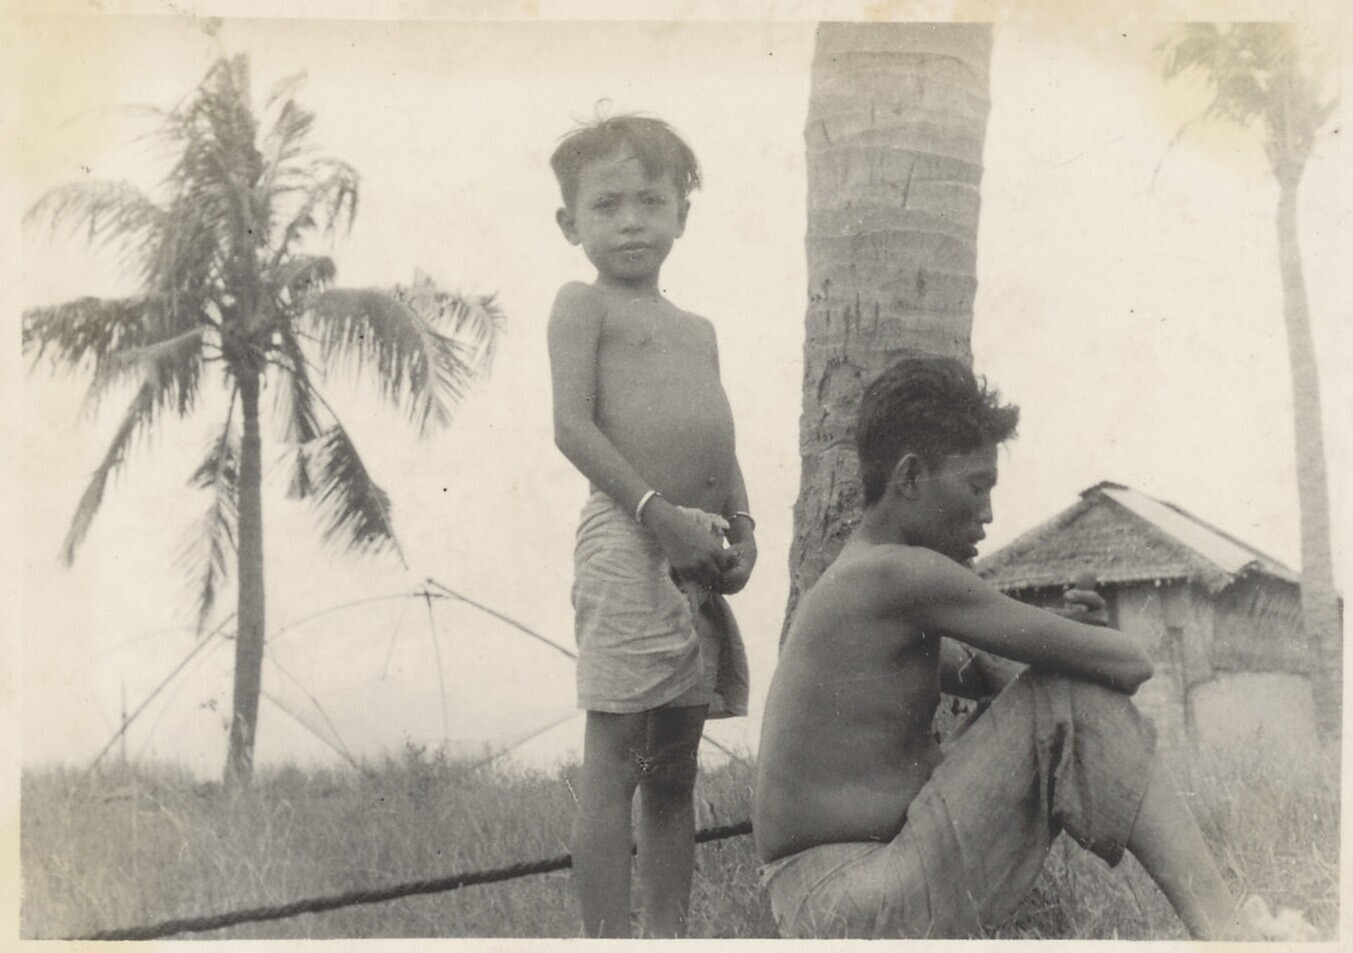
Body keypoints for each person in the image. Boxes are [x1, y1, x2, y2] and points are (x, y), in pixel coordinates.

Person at [753, 356, 1256, 941]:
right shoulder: (902, 574)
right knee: (1070, 696)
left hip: (825, 900)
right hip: (849, 897)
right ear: (910, 478)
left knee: (1058, 692)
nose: (988, 513)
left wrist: (1061, 636)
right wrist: (1082, 645)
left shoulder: (861, 577)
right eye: (976, 486)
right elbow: (1130, 663)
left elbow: (986, 673)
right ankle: (1229, 933)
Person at [547, 113, 755, 938]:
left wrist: (741, 525)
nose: (630, 221)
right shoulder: (583, 305)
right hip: (630, 536)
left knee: (674, 766)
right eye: (606, 205)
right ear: (570, 223)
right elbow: (571, 427)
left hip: (696, 547)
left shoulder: (698, 331)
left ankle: (668, 935)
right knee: (616, 761)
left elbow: (719, 437)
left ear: (681, 214)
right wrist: (656, 516)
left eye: (649, 201)